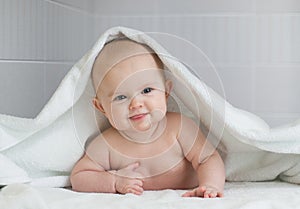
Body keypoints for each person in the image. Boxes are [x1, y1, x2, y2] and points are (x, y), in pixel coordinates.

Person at [70, 38, 225, 198]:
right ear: (102, 107)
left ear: (166, 92)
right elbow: (79, 176)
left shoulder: (179, 128)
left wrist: (210, 185)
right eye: (121, 97)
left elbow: (208, 158)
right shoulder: (107, 144)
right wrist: (114, 181)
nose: (136, 104)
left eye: (147, 90)